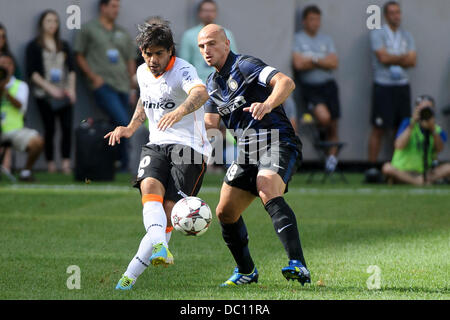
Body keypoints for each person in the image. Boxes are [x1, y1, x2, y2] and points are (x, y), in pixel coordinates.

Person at [198, 24, 311, 286]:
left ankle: (298, 264)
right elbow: (211, 125)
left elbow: (286, 82)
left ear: (227, 44)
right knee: (225, 212)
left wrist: (268, 104)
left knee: (267, 186)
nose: (207, 50)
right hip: (248, 150)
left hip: (278, 141)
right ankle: (246, 271)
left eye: (212, 43)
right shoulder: (212, 83)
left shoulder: (246, 66)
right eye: (202, 46)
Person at [105, 23, 211, 290]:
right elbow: (145, 99)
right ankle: (161, 249)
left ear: (170, 51)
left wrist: (180, 111)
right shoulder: (142, 72)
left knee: (168, 211)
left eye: (159, 54)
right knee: (148, 190)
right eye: (147, 53)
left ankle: (129, 276)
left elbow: (200, 93)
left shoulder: (183, 69)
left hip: (189, 148)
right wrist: (130, 128)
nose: (153, 60)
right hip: (157, 144)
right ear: (142, 52)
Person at [74, 0, 137, 172]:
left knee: (116, 123)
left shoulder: (122, 32)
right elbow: (79, 54)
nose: (117, 10)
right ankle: (125, 164)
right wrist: (93, 77)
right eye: (113, 6)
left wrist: (132, 85)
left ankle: (110, 162)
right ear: (103, 7)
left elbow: (130, 59)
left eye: (118, 7)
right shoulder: (89, 29)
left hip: (124, 85)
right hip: (103, 85)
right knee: (124, 122)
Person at [367, 1, 416, 173]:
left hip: (402, 86)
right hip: (384, 86)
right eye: (393, 13)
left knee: (401, 128)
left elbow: (413, 60)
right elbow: (383, 58)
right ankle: (371, 168)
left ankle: (398, 168)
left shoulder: (407, 36)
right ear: (386, 16)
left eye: (398, 12)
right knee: (379, 127)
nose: (397, 16)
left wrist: (393, 57)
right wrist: (402, 58)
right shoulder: (378, 34)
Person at [26, 10, 76, 174]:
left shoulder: (64, 45)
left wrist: (71, 89)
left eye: (55, 21)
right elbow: (33, 73)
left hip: (64, 94)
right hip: (44, 95)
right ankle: (50, 164)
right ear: (42, 24)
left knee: (67, 128)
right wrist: (51, 90)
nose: (52, 24)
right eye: (48, 21)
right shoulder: (34, 46)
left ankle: (66, 163)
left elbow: (71, 70)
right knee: (50, 128)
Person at [292, 5, 341, 173]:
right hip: (311, 88)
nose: (315, 23)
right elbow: (298, 64)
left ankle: (331, 161)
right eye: (312, 19)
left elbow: (334, 62)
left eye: (318, 19)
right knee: (324, 118)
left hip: (329, 85)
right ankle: (320, 132)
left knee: (334, 123)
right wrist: (321, 60)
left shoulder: (326, 39)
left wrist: (311, 59)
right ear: (304, 21)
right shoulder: (297, 39)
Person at [382, 95, 450, 185]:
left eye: (428, 109)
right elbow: (399, 145)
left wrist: (432, 129)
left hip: (425, 172)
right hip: (403, 170)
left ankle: (418, 180)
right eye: (422, 109)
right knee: (387, 168)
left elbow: (439, 149)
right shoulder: (407, 123)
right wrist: (412, 124)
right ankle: (417, 181)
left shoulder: (437, 129)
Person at [0, 53, 44, 181]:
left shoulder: (20, 85)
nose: (4, 67)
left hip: (14, 130)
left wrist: (5, 92)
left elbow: (21, 106)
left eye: (7, 64)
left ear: (13, 67)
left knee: (37, 141)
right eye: (1, 64)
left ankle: (25, 172)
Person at [180, 0, 237, 83]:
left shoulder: (226, 34)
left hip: (223, 83)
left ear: (216, 13)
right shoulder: (189, 35)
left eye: (211, 11)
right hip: (199, 83)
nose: (208, 14)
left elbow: (234, 59)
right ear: (199, 13)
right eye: (205, 11)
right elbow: (184, 63)